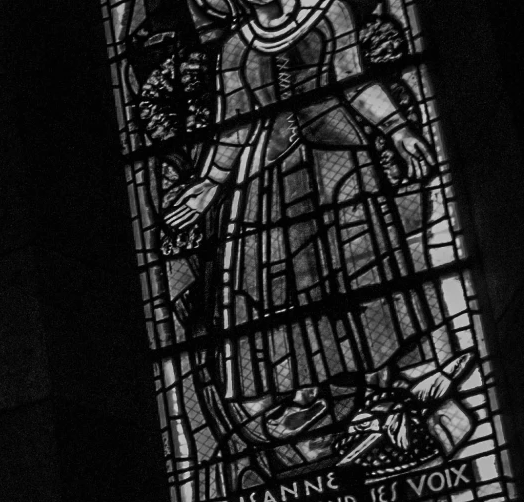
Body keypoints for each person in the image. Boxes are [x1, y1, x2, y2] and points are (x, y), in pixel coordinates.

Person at [161, 0, 461, 474]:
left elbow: (356, 80)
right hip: (269, 177)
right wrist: (209, 186)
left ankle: (407, 377)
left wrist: (398, 129)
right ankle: (307, 394)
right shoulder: (237, 46)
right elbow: (235, 124)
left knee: (363, 266)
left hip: (338, 161)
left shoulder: (328, 13)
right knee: (282, 287)